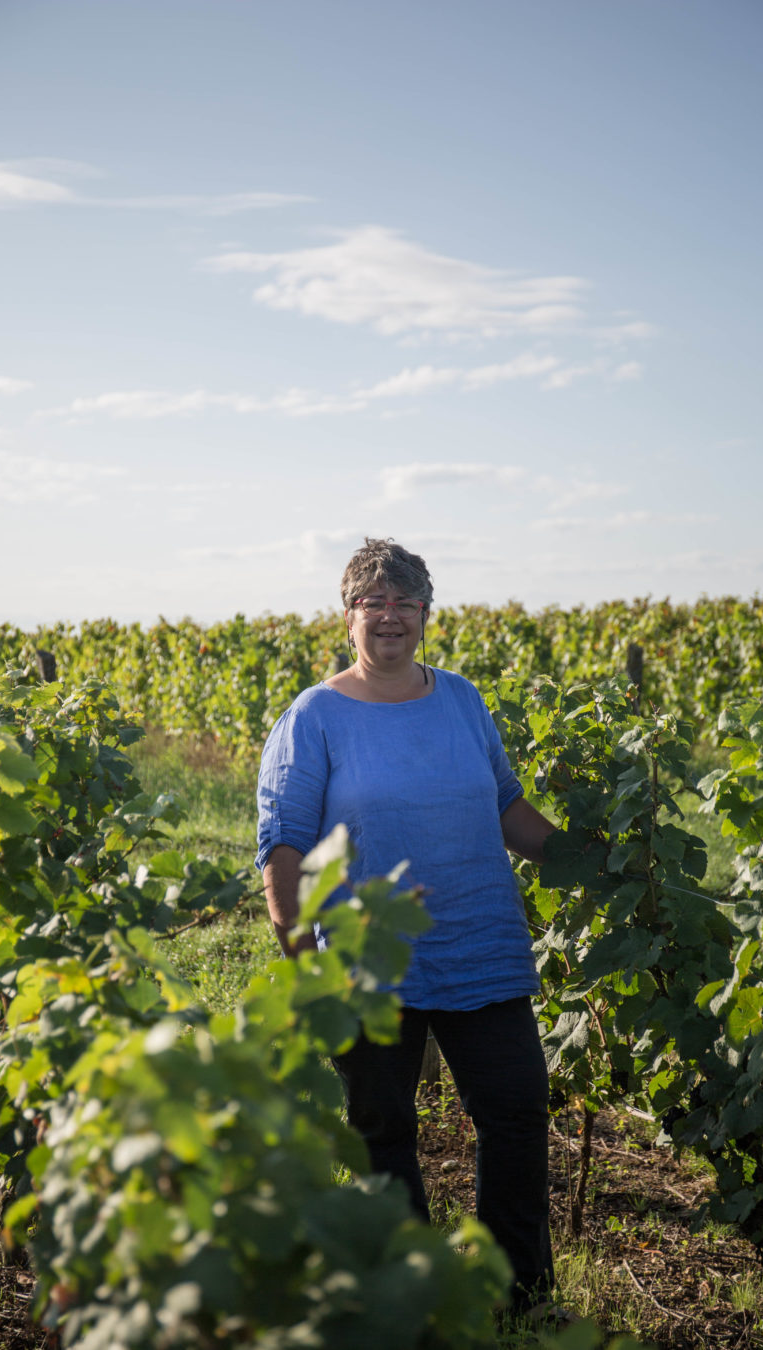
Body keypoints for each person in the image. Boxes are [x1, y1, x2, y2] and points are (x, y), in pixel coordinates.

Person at [256, 537, 558, 1317]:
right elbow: (284, 843)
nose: (390, 615)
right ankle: (412, 1300)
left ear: (427, 611)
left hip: (481, 942)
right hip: (366, 958)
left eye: (405, 601)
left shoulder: (461, 700)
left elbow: (507, 811)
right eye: (373, 601)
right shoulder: (313, 717)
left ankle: (518, 1293)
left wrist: (596, 858)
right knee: (383, 1132)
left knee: (518, 1115)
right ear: (347, 615)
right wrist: (299, 954)